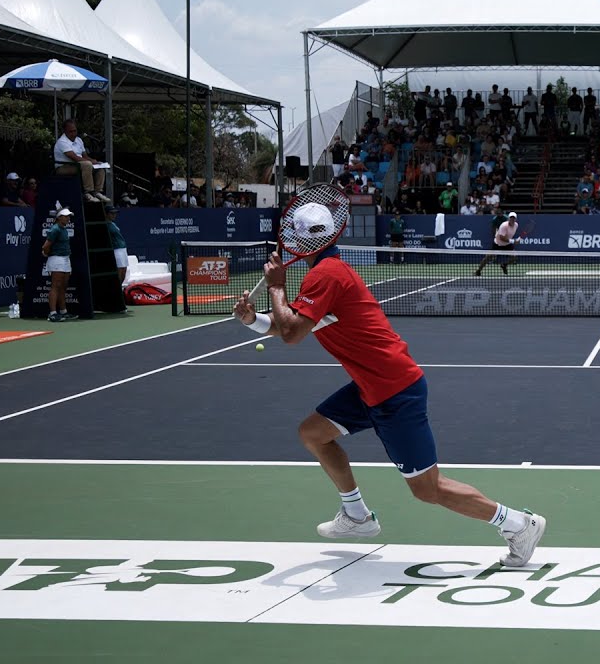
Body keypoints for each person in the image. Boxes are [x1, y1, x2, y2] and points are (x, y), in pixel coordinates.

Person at [231, 215, 545, 567]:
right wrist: (252, 321)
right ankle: (357, 517)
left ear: (301, 242)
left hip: (394, 391)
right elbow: (292, 323)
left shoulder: (324, 275)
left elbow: (291, 333)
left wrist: (276, 286)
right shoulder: (327, 273)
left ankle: (519, 525)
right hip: (373, 385)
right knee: (313, 433)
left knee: (428, 489)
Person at [54, 119, 109, 203]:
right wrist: (90, 162)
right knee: (86, 164)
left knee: (100, 166)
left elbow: (85, 156)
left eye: (75, 131)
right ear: (65, 131)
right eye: (70, 131)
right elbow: (74, 157)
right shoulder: (62, 142)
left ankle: (98, 191)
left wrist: (95, 162)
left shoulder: (79, 140)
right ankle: (88, 192)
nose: (73, 134)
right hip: (63, 167)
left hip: (78, 165)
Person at [41, 207, 77, 322]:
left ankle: (63, 311)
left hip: (66, 259)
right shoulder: (55, 229)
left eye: (69, 217)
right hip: (57, 259)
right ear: (59, 217)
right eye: (66, 216)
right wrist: (48, 255)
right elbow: (45, 246)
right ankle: (52, 313)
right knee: (55, 286)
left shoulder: (63, 229)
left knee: (63, 287)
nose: (68, 219)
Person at [474, 211, 519, 276]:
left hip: (507, 244)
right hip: (498, 243)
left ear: (515, 219)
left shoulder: (516, 225)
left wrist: (513, 241)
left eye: (513, 218)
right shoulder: (504, 225)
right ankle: (478, 271)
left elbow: (509, 236)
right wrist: (513, 241)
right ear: (508, 218)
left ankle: (504, 265)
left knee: (514, 257)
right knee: (488, 257)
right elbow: (501, 238)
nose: (512, 219)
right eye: (511, 218)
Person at [105, 205, 128, 285]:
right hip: (117, 249)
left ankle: (119, 287)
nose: (114, 215)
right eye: (112, 213)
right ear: (106, 214)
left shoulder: (112, 223)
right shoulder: (106, 225)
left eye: (115, 213)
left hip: (123, 249)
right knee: (119, 270)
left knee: (124, 270)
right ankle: (116, 288)